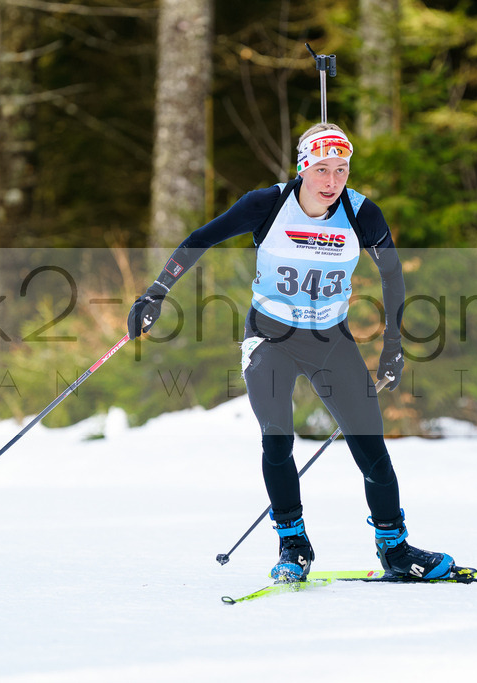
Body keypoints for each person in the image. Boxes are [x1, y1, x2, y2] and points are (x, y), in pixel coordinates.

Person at [128, 123, 455, 581]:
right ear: (303, 169)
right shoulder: (268, 205)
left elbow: (393, 276)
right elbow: (200, 238)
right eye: (321, 169)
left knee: (371, 447)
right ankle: (293, 544)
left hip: (330, 340)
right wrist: (157, 292)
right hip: (270, 338)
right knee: (277, 437)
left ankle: (395, 550)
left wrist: (393, 347)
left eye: (341, 169)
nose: (332, 181)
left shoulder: (362, 213)